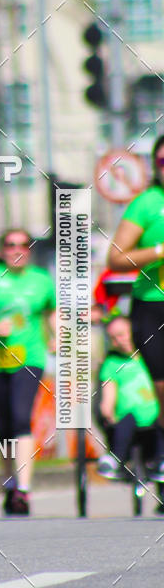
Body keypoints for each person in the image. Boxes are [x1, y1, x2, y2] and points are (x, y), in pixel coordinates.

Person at [0, 229, 56, 515]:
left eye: (23, 245)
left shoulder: (41, 280)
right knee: (4, 424)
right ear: (2, 249)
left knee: (22, 418)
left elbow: (52, 311)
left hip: (28, 358)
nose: (16, 249)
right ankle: (9, 483)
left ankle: (23, 489)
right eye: (10, 244)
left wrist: (57, 335)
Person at [108, 136, 164, 447]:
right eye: (161, 162)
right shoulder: (147, 204)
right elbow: (116, 258)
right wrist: (158, 250)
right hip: (153, 306)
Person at [96, 311, 164, 480]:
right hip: (128, 418)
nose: (119, 341)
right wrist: (107, 412)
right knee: (126, 421)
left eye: (122, 335)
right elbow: (108, 397)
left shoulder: (152, 357)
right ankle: (115, 459)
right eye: (113, 338)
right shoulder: (112, 364)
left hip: (156, 415)